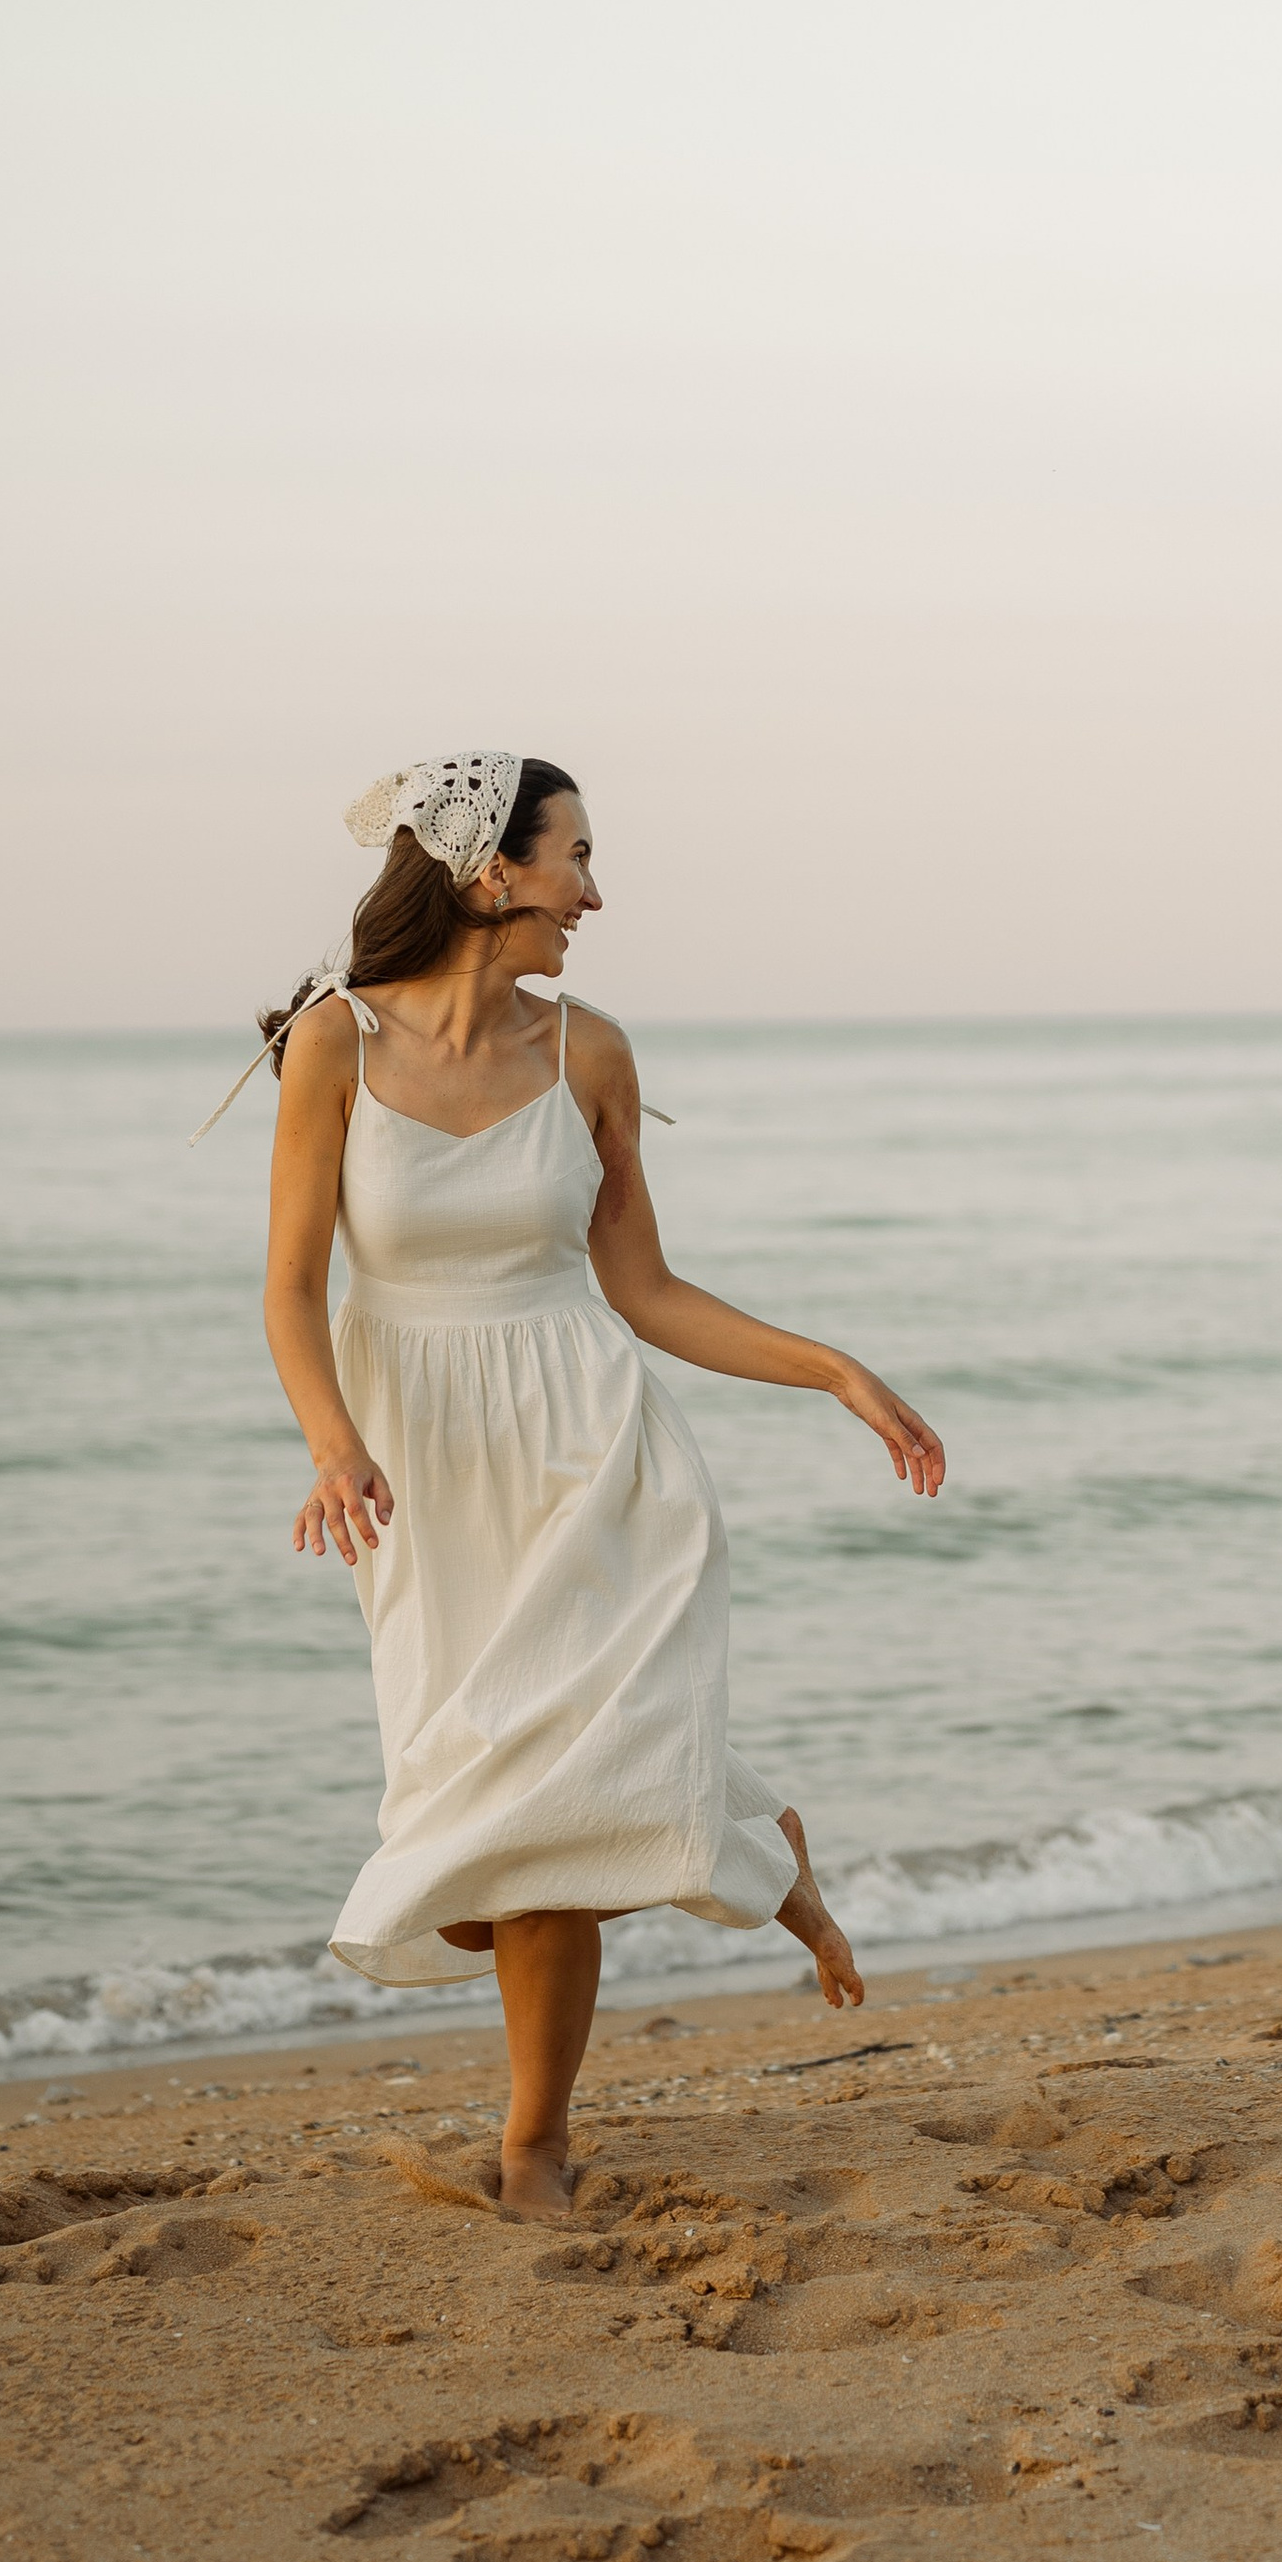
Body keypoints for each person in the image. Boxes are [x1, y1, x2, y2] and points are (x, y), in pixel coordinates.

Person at [206, 750, 945, 2213]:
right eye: (576, 860)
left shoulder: (590, 1053)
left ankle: (533, 2148)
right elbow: (291, 1292)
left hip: (592, 1453)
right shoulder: (333, 1048)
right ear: (491, 875)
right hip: (421, 1475)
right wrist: (331, 1439)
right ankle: (750, 1828)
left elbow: (646, 1289)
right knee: (478, 1838)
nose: (595, 894)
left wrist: (838, 1371)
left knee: (537, 1843)